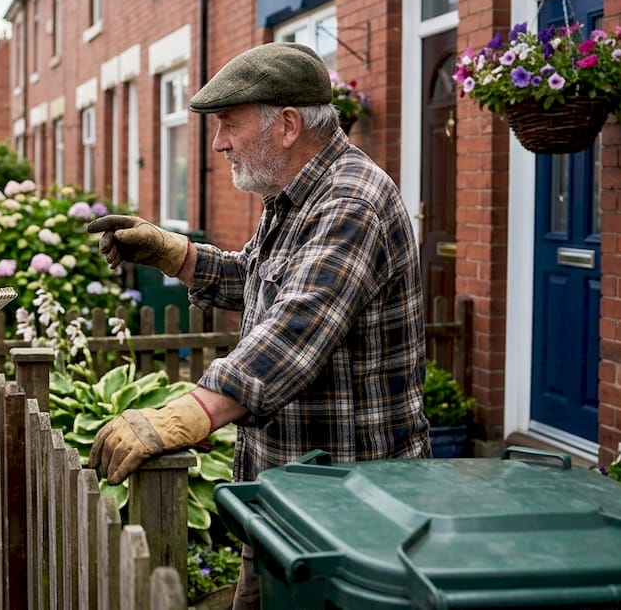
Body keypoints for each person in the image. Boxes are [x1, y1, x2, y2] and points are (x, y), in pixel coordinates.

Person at [86, 42, 430, 610]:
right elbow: (257, 278)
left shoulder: (352, 202)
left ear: (288, 124)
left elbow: (294, 330)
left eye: (228, 124)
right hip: (288, 495)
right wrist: (173, 253)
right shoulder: (293, 196)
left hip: (352, 512)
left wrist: (183, 416)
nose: (218, 142)